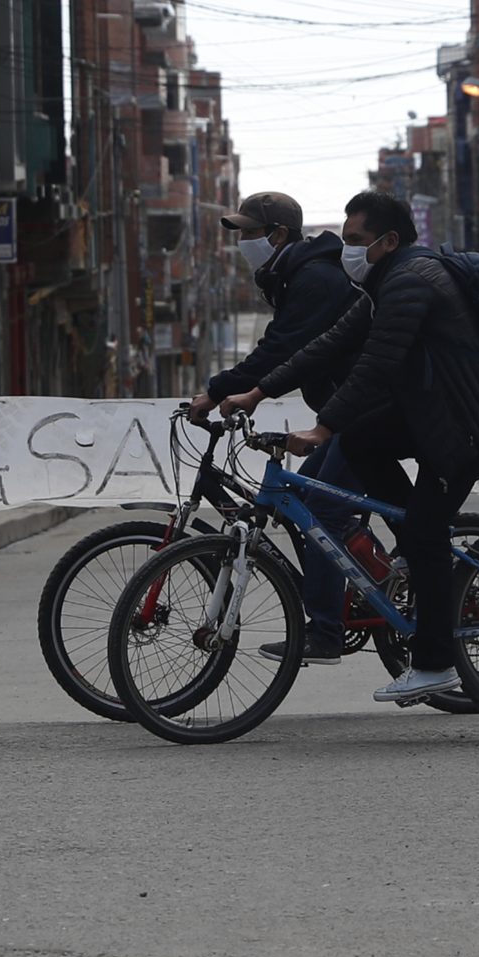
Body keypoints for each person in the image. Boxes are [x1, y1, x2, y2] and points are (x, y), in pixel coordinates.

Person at [224, 190, 479, 705]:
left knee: (427, 533)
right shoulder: (384, 282)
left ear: (389, 241)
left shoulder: (411, 281)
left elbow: (378, 364)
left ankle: (434, 664)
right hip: (436, 412)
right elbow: (328, 346)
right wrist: (257, 391)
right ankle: (411, 543)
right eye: (345, 240)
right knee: (362, 443)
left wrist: (323, 427)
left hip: (468, 423)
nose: (348, 251)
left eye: (357, 241)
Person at [185, 191, 364, 664]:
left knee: (323, 511)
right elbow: (289, 354)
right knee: (308, 499)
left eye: (247, 233)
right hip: (346, 412)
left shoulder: (314, 278)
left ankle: (327, 631)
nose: (242, 242)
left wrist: (221, 391)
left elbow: (281, 349)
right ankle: (368, 587)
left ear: (278, 235)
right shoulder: (294, 277)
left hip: (364, 413)